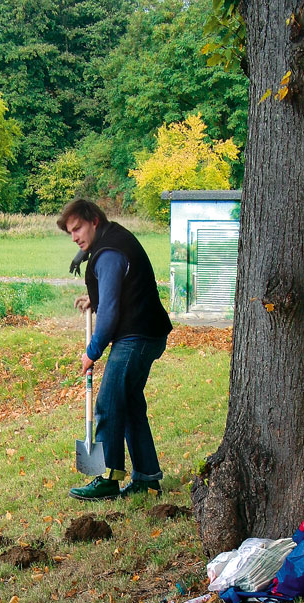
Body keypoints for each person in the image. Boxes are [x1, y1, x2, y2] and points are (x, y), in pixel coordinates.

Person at [57, 198, 172, 500]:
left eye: (78, 228)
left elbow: (108, 316)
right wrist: (94, 299)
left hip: (137, 337)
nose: (75, 237)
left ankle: (107, 478)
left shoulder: (108, 252)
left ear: (94, 220)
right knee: (129, 404)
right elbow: (122, 288)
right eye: (70, 232)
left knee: (108, 404)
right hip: (148, 332)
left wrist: (92, 351)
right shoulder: (113, 239)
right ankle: (147, 479)